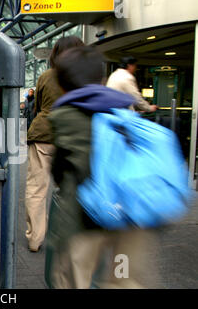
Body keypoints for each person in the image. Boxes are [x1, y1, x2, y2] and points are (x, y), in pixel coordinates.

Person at [45, 45, 156, 288]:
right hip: (128, 218)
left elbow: (60, 170)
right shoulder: (124, 108)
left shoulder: (64, 115)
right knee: (123, 278)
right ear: (101, 78)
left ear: (62, 85)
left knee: (74, 278)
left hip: (84, 220)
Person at [24, 36, 85, 252]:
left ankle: (35, 239)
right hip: (71, 136)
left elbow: (38, 106)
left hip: (43, 134)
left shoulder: (46, 76)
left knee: (36, 189)